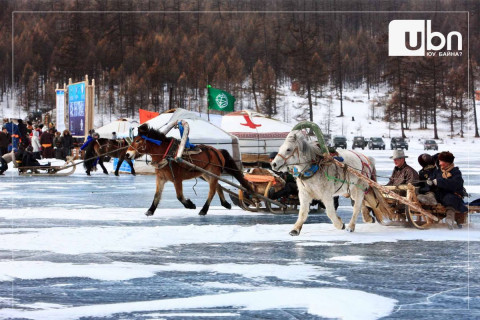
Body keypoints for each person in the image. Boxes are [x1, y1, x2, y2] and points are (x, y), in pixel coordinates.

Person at [427, 151, 467, 229]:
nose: (439, 164)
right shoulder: (438, 171)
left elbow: (454, 184)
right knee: (431, 194)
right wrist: (430, 181)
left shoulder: (456, 172)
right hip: (439, 195)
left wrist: (439, 182)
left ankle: (450, 218)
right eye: (439, 161)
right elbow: (432, 178)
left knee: (449, 198)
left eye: (441, 161)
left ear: (448, 163)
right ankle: (429, 199)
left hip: (453, 195)